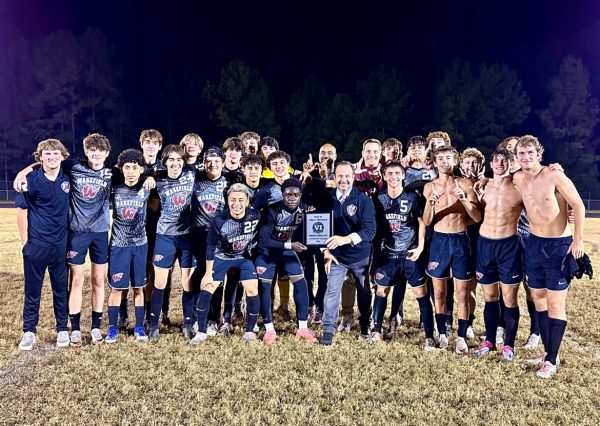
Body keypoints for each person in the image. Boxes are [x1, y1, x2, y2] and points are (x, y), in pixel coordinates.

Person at [512, 135, 585, 378]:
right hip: (534, 245)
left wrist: (578, 239)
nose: (526, 157)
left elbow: (578, 205)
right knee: (539, 299)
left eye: (530, 153)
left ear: (538, 153)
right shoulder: (518, 178)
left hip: (558, 246)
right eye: (521, 154)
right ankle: (547, 351)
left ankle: (552, 360)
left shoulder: (553, 174)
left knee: (555, 304)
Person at [307, 161, 376, 345]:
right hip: (337, 256)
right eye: (340, 176)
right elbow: (318, 228)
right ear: (334, 177)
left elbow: (369, 231)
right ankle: (328, 331)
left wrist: (344, 239)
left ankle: (364, 326)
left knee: (364, 292)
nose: (343, 179)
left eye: (347, 176)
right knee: (331, 292)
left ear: (353, 177)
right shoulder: (327, 198)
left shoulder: (363, 200)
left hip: (360, 256)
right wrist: (326, 250)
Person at [423, 145, 481, 353]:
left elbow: (477, 217)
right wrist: (430, 205)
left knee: (462, 293)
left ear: (455, 161)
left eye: (448, 158)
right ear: (435, 162)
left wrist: (464, 200)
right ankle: (441, 333)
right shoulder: (429, 187)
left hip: (460, 240)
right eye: (440, 158)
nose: (444, 162)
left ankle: (461, 337)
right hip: (439, 241)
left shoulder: (465, 184)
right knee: (439, 292)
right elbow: (428, 221)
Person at [371, 162, 435, 350]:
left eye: (397, 173)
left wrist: (420, 247)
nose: (393, 177)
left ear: (403, 175)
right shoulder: (378, 197)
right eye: (389, 173)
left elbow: (422, 221)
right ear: (384, 176)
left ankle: (429, 337)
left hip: (409, 253)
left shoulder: (413, 196)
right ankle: (376, 330)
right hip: (388, 253)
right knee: (381, 291)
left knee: (420, 293)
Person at [15, 139, 71, 350]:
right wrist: (25, 243)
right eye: (47, 154)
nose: (52, 157)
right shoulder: (30, 179)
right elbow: (21, 211)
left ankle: (62, 329)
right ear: (40, 157)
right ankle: (29, 331)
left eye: (55, 153)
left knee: (60, 289)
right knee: (32, 290)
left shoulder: (68, 175)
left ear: (62, 156)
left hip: (60, 245)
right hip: (37, 245)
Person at [190, 183, 261, 344]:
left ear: (248, 200)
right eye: (232, 200)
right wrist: (208, 274)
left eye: (241, 200)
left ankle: (250, 332)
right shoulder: (219, 220)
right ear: (227, 201)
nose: (237, 204)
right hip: (221, 257)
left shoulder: (255, 215)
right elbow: (210, 248)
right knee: (207, 288)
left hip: (243, 258)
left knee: (252, 288)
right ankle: (201, 331)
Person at [471, 148, 523, 361]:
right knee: (490, 297)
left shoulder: (520, 188)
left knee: (509, 298)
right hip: (485, 245)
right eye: (496, 160)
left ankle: (509, 345)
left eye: (505, 160)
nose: (500, 163)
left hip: (508, 246)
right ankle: (489, 340)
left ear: (511, 164)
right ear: (491, 164)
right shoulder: (482, 186)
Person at [255, 178, 318, 343]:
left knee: (301, 282)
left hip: (286, 251)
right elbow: (264, 240)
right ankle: (269, 329)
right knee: (265, 286)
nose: (292, 197)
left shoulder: (305, 208)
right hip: (267, 252)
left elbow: (314, 227)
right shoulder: (272, 211)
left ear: (300, 195)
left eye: (295, 194)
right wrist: (290, 245)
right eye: (288, 194)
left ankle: (303, 327)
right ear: (282, 195)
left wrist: (313, 216)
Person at [148, 145, 197, 340]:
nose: (175, 163)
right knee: (159, 282)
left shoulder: (192, 176)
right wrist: (148, 176)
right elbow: (153, 205)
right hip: (165, 236)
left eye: (179, 160)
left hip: (187, 236)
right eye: (171, 160)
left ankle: (187, 323)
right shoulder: (158, 180)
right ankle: (153, 325)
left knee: (188, 282)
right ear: (164, 162)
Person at [105, 149, 152, 343]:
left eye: (135, 167)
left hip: (140, 245)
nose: (131, 171)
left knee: (139, 288)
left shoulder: (147, 186)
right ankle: (113, 328)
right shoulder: (114, 187)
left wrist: (150, 177)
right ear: (121, 169)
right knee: (117, 288)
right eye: (127, 167)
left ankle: (139, 327)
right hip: (118, 245)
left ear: (141, 169)